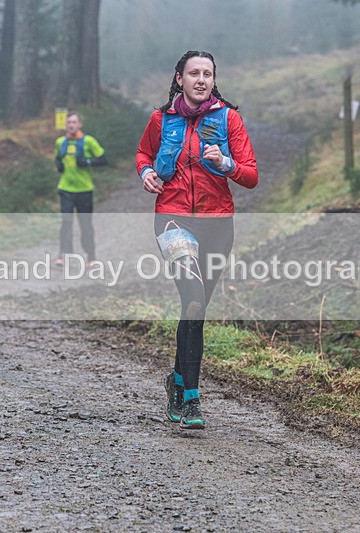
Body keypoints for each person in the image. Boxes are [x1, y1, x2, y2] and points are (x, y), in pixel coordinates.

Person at [136, 51, 258, 429]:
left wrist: (225, 164)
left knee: (197, 309)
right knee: (191, 299)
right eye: (194, 73)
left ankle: (177, 379)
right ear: (179, 78)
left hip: (217, 224)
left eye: (207, 73)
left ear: (213, 80)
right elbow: (143, 153)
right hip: (172, 221)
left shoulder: (228, 119)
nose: (201, 79)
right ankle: (191, 398)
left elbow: (251, 175)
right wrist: (145, 173)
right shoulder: (162, 119)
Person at [53, 111, 107, 267]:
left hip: (84, 190)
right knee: (66, 222)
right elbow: (57, 158)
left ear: (79, 124)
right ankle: (63, 254)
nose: (71, 125)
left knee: (85, 224)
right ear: (66, 125)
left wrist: (88, 162)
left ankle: (91, 256)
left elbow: (103, 159)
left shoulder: (88, 141)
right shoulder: (60, 142)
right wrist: (59, 165)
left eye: (74, 122)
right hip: (65, 189)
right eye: (69, 123)